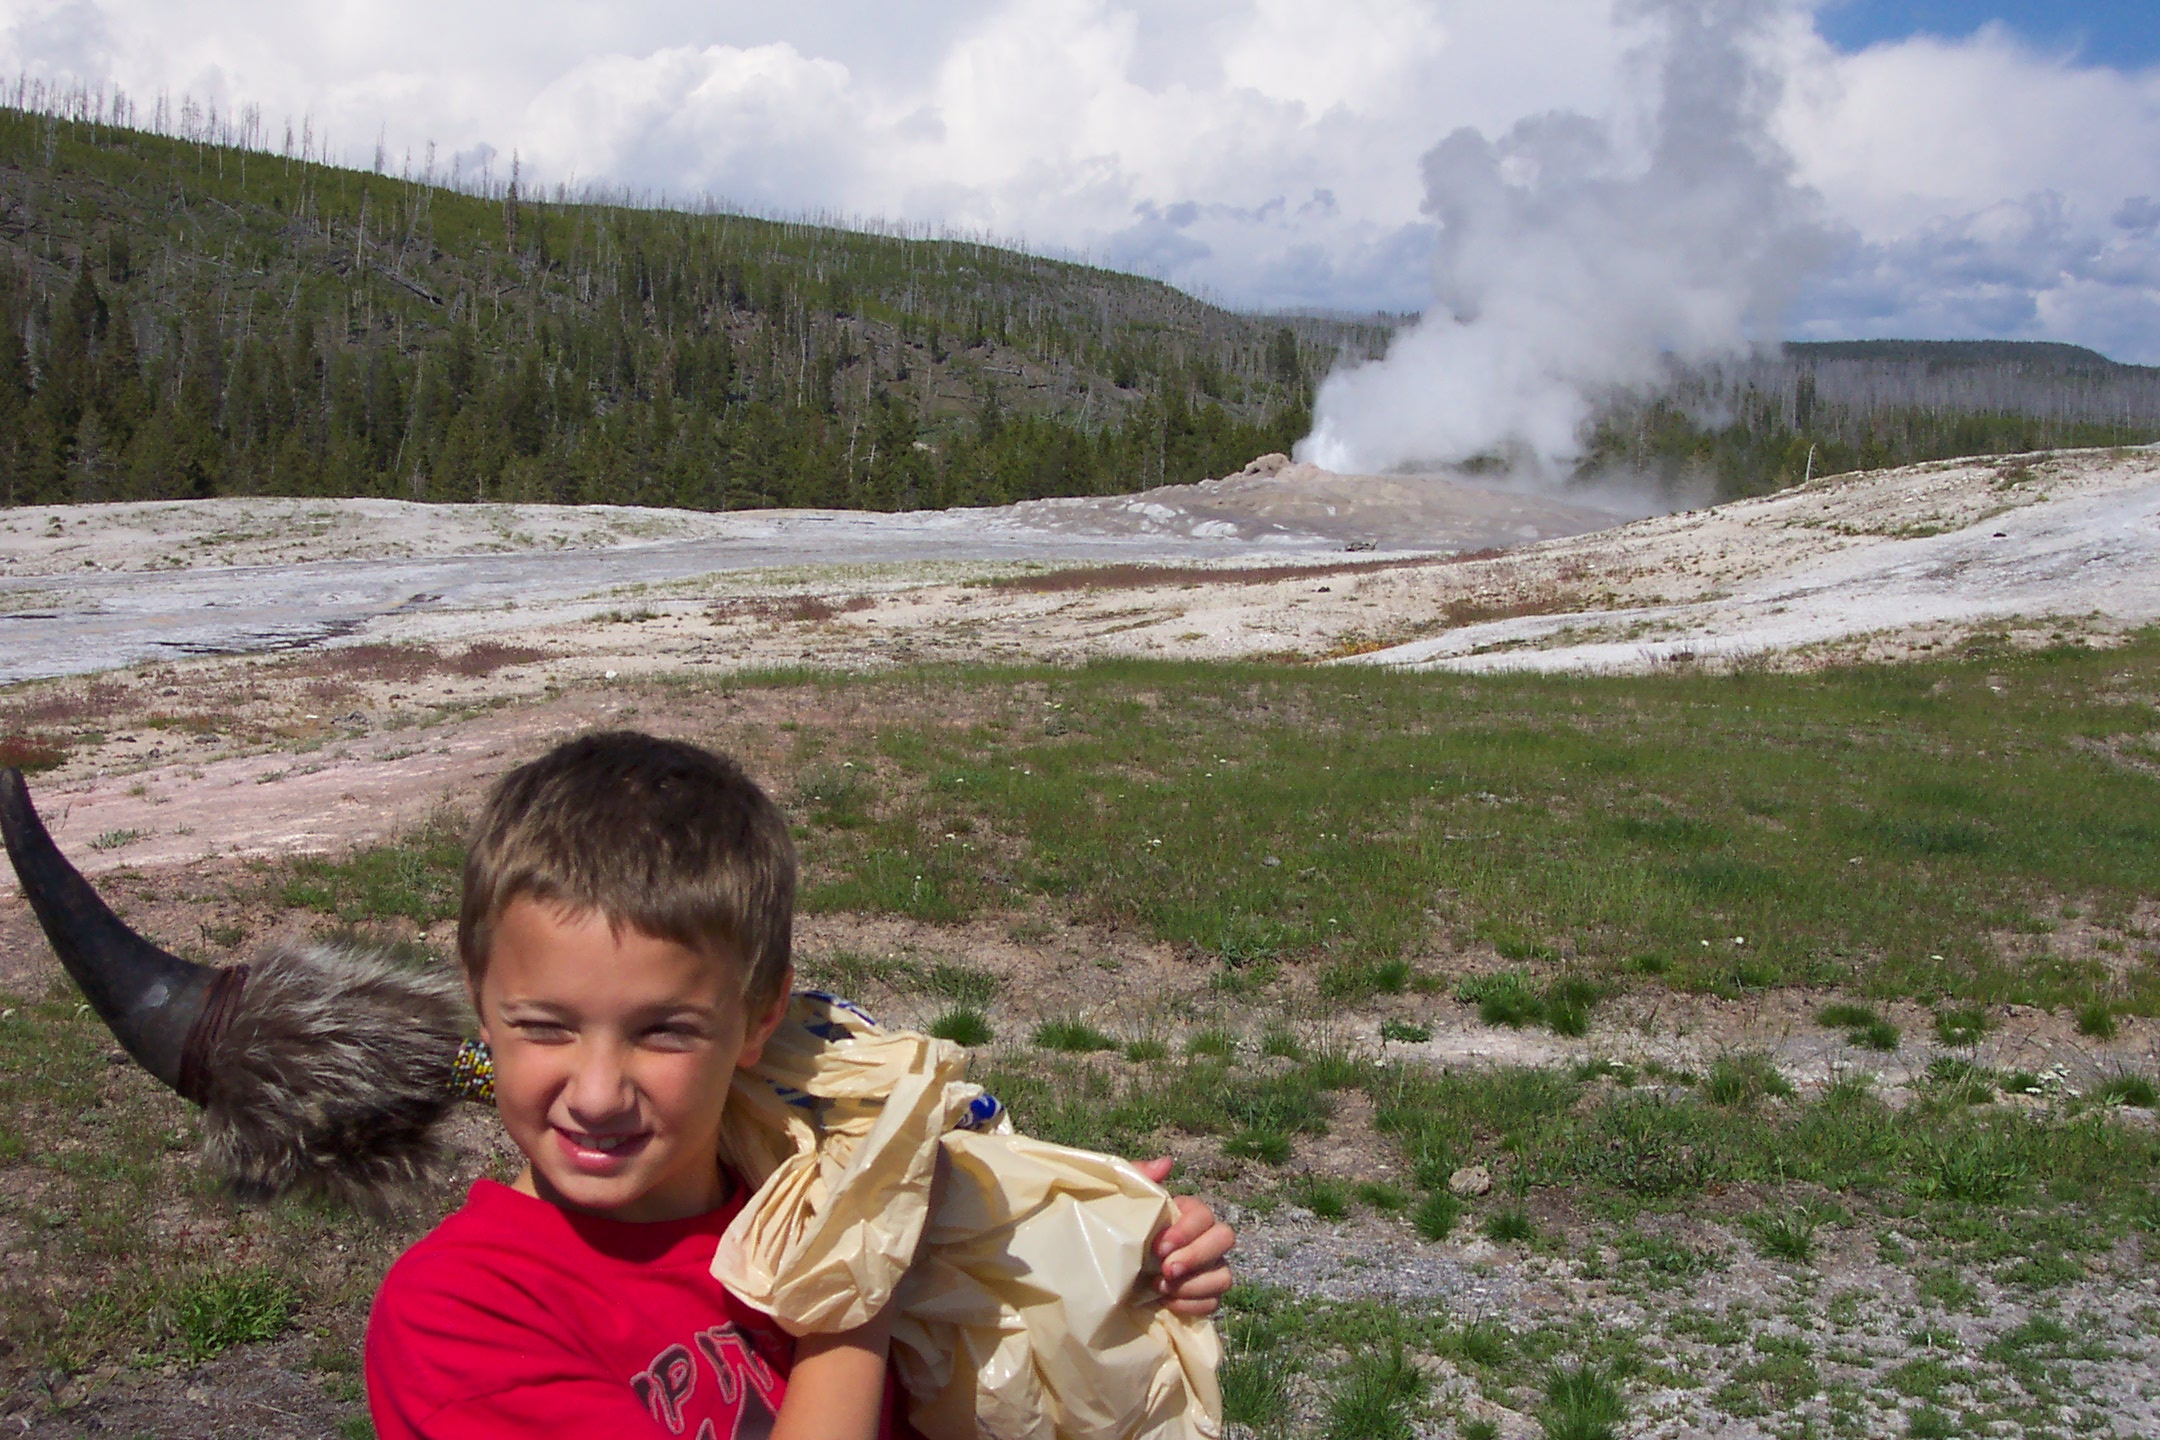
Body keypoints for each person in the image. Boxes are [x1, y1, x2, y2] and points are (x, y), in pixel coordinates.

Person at [365, 731, 1235, 1439]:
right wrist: (855, 1285)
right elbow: (865, 1284)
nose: (596, 1092)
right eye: (546, 1026)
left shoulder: (792, 1186)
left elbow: (1012, 1357)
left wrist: (1116, 1251)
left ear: (758, 1019)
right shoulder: (457, 1315)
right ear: (481, 1003)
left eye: (664, 1030)